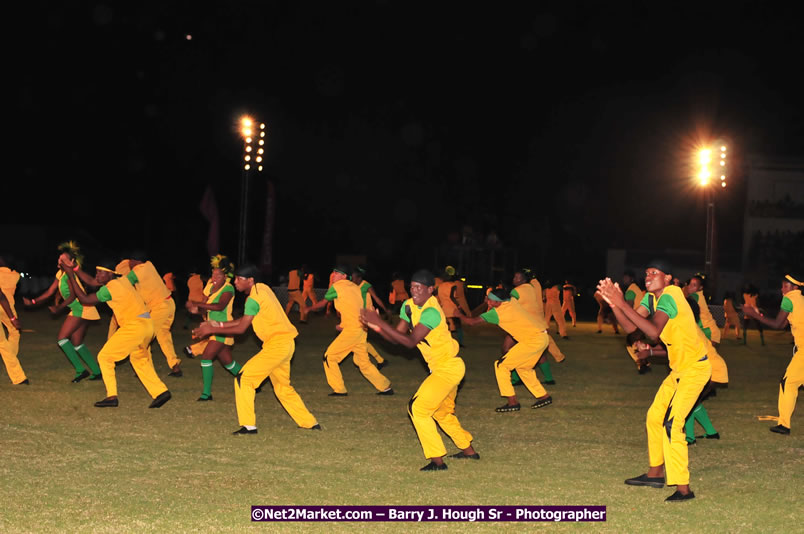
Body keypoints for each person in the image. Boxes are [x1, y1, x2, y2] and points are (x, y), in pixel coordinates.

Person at [598, 259, 711, 502]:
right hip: (679, 370)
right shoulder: (651, 299)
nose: (648, 276)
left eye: (654, 272)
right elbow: (631, 327)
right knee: (654, 416)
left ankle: (683, 489)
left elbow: (652, 332)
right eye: (646, 272)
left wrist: (620, 302)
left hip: (696, 369)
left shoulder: (671, 294)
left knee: (672, 424)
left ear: (668, 278)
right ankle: (655, 473)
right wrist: (615, 305)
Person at [360, 269, 478, 471]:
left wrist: (380, 322)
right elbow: (397, 338)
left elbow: (410, 342)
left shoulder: (432, 312)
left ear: (430, 289)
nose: (414, 291)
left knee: (418, 408)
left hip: (448, 367)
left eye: (419, 287)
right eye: (412, 287)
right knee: (442, 413)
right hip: (442, 368)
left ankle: (437, 460)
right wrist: (376, 327)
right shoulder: (408, 306)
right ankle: (469, 451)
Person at [193, 264, 319, 433]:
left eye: (239, 279)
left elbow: (241, 329)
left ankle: (248, 426)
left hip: (276, 346)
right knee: (283, 388)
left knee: (243, 379)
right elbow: (244, 320)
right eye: (235, 278)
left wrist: (212, 329)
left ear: (250, 280)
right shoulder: (263, 289)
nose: (236, 282)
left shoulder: (253, 298)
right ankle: (309, 423)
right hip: (286, 343)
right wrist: (217, 324)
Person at [59, 256, 171, 409]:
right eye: (97, 272)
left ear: (110, 274)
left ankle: (112, 396)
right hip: (147, 325)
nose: (97, 275)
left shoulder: (111, 289)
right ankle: (161, 392)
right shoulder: (123, 280)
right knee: (139, 360)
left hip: (135, 326)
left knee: (104, 357)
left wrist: (71, 275)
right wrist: (76, 269)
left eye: (100, 273)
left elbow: (85, 299)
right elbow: (92, 282)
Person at [459, 286, 553, 412]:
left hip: (533, 341)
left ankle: (512, 402)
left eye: (490, 300)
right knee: (523, 368)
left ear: (498, 302)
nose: (488, 301)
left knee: (501, 366)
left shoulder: (497, 313)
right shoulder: (511, 301)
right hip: (542, 337)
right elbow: (507, 296)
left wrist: (457, 314)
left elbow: (471, 322)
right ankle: (543, 396)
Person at [304, 265, 393, 396]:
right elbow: (355, 307)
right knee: (362, 362)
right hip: (361, 328)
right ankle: (385, 387)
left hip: (353, 330)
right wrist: (344, 324)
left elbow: (322, 304)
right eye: (333, 273)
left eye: (337, 273)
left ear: (344, 276)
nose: (333, 275)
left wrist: (308, 309)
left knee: (329, 357)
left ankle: (339, 389)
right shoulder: (355, 288)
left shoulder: (337, 287)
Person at [24, 242, 102, 382]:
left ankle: (80, 370)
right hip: (81, 308)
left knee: (62, 339)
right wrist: (33, 302)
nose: (60, 261)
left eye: (63, 259)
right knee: (76, 342)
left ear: (72, 261)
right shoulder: (60, 274)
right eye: (59, 259)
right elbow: (49, 291)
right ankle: (96, 371)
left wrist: (58, 308)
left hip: (81, 307)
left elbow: (73, 296)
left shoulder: (70, 274)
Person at [743, 274, 803, 435]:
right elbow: (783, 323)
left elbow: (777, 324)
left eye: (786, 286)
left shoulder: (789, 298)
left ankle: (784, 425)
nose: (782, 289)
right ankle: (784, 423)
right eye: (782, 285)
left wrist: (753, 314)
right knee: (788, 382)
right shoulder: (800, 299)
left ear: (795, 288)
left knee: (788, 383)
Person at [185, 255, 243, 401]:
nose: (215, 276)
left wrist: (198, 304)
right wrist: (194, 309)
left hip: (224, 328)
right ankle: (251, 380)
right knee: (228, 363)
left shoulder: (228, 288)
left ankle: (206, 394)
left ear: (226, 276)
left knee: (206, 357)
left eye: (219, 274)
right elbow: (205, 308)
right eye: (213, 273)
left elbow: (219, 306)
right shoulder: (210, 285)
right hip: (213, 328)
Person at [115, 253, 183, 377]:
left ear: (135, 261)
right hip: (168, 303)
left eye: (131, 261)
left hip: (159, 307)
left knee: (145, 337)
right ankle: (175, 366)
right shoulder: (149, 265)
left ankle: (146, 368)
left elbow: (124, 282)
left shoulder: (138, 271)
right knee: (163, 337)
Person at [511, 270, 565, 384]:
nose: (514, 279)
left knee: (520, 350)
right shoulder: (534, 285)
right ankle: (550, 375)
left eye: (518, 277)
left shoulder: (530, 287)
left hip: (531, 323)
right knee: (539, 349)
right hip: (535, 321)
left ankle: (517, 378)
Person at [351, 266, 389, 368]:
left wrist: (385, 309)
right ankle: (380, 360)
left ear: (359, 278)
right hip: (359, 315)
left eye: (353, 277)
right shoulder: (353, 286)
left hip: (367, 316)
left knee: (359, 340)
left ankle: (378, 361)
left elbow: (376, 298)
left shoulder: (366, 285)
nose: (352, 279)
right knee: (360, 340)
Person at [0, 259, 27, 385]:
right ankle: (18, 375)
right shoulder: (15, 275)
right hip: (7, 307)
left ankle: (11, 360)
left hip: (5, 305)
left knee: (2, 343)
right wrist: (12, 318)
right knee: (13, 334)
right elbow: (2, 297)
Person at [685, 274, 722, 346]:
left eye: (694, 285)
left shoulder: (695, 295)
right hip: (706, 331)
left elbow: (682, 301)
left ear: (700, 288)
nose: (690, 287)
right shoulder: (698, 295)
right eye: (690, 284)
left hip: (709, 332)